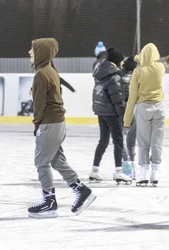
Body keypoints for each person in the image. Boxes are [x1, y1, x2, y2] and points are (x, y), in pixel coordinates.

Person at [28, 38, 96, 218]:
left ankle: (49, 201)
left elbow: (39, 105)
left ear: (41, 53)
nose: (29, 52)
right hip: (57, 123)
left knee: (41, 162)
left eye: (33, 50)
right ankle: (81, 190)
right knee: (57, 161)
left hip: (49, 123)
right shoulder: (50, 71)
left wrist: (37, 124)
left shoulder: (42, 74)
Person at [124, 43, 166, 187]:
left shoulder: (138, 71)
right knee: (157, 141)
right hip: (159, 108)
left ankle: (144, 172)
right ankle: (155, 172)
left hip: (143, 108)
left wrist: (126, 121)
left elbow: (132, 97)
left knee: (143, 142)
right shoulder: (160, 68)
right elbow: (151, 60)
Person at [89, 48, 132, 184]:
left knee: (103, 141)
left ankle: (94, 171)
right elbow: (117, 98)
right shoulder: (114, 76)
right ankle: (119, 171)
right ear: (117, 61)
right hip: (111, 112)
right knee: (118, 141)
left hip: (101, 110)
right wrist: (123, 116)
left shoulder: (100, 72)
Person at [119, 56, 138, 179]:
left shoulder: (119, 77)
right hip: (134, 108)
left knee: (121, 139)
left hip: (122, 108)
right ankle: (132, 166)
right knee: (131, 140)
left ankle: (127, 166)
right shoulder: (136, 77)